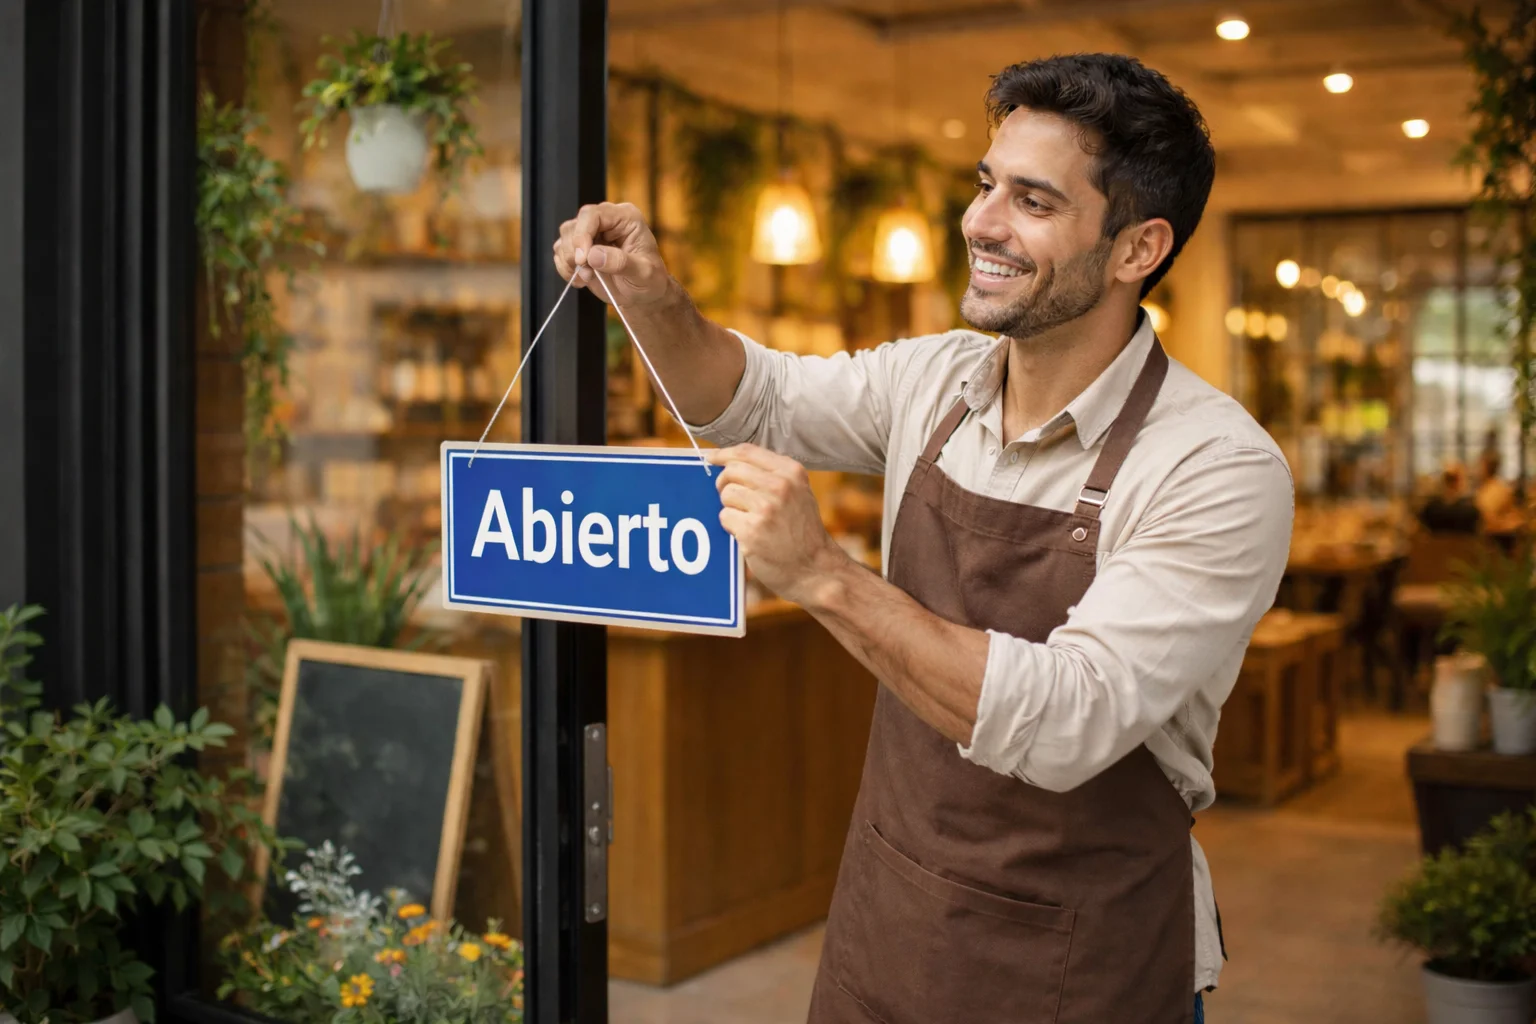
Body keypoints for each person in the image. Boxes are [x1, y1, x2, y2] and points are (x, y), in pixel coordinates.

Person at [554, 53, 1293, 1024]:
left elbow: (1070, 720)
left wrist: (824, 575)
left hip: (1086, 962)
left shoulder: (1216, 466)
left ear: (1135, 248)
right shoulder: (933, 382)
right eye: (987, 185)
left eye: (1033, 201)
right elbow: (749, 399)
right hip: (890, 922)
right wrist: (649, 296)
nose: (981, 222)